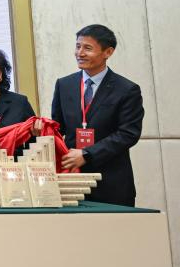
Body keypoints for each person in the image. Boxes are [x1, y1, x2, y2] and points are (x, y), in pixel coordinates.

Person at [51, 24, 144, 206]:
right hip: (71, 180)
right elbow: (57, 127)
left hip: (111, 182)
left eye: (87, 48)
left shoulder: (126, 89)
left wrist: (87, 154)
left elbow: (128, 133)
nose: (80, 53)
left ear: (108, 52)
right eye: (78, 46)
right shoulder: (64, 85)